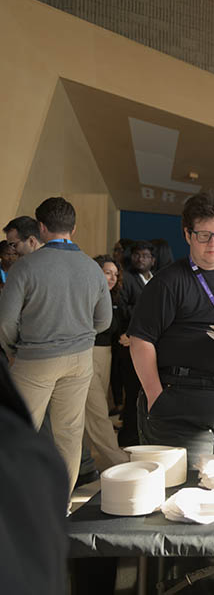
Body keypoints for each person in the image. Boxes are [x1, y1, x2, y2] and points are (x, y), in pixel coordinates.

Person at [128, 193, 214, 466]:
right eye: (204, 235)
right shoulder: (168, 282)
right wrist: (155, 395)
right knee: (186, 496)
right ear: (188, 234)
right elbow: (140, 340)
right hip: (182, 410)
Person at [0, 197, 111, 493]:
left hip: (35, 358)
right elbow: (105, 320)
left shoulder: (24, 267)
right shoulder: (92, 268)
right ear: (73, 228)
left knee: (18, 433)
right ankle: (59, 506)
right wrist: (82, 336)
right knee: (69, 435)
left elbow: (5, 323)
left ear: (42, 227)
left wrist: (12, 349)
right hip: (79, 359)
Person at [0, 357, 69, 595]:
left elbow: (7, 322)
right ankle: (64, 505)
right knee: (69, 433)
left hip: (38, 353)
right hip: (78, 350)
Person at [84, 255, 129, 469]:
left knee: (88, 412)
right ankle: (120, 461)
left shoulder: (115, 298)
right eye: (107, 272)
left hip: (107, 355)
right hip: (88, 354)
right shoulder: (87, 295)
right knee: (97, 412)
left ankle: (84, 463)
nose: (112, 277)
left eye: (115, 274)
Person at [118, 240, 156, 446]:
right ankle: (128, 437)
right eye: (137, 255)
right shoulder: (128, 278)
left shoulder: (156, 279)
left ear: (153, 260)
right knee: (132, 393)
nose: (140, 259)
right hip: (129, 342)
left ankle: (144, 434)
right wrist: (151, 313)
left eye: (145, 255)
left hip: (152, 345)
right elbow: (123, 308)